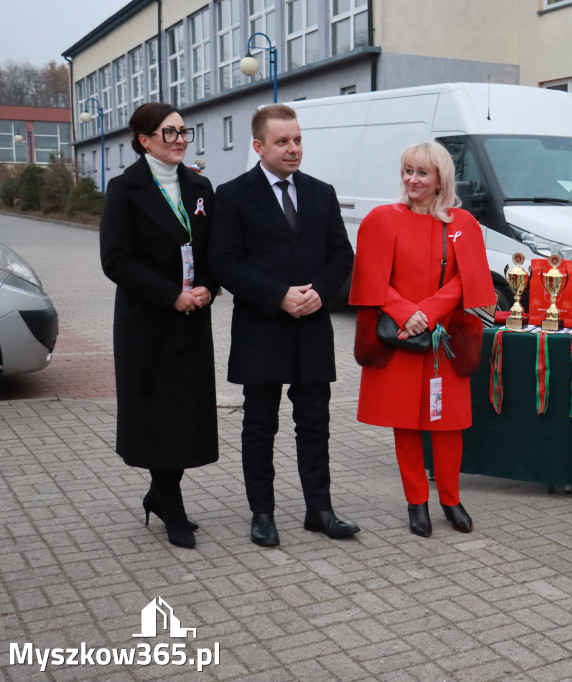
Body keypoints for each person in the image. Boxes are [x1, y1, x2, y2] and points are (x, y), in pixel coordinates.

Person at [209, 104, 358, 547]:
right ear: (259, 146)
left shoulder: (320, 192)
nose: (293, 149)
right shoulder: (232, 195)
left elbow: (341, 255)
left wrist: (320, 292)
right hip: (262, 330)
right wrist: (278, 295)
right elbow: (223, 263)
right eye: (282, 142)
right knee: (260, 426)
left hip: (312, 328)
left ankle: (320, 510)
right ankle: (262, 514)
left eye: (297, 140)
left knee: (315, 423)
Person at [349, 141, 495, 538]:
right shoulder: (382, 219)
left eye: (422, 173)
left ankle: (450, 499)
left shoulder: (462, 224)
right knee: (406, 425)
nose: (412, 179)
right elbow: (371, 279)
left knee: (448, 426)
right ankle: (417, 502)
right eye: (407, 170)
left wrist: (427, 313)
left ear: (440, 180)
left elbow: (469, 280)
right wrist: (405, 313)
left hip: (444, 342)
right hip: (401, 338)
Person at [99, 102, 218, 550]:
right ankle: (170, 502)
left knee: (186, 412)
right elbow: (116, 261)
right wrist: (172, 295)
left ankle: (160, 493)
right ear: (144, 139)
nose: (180, 139)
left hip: (192, 316)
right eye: (169, 133)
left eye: (184, 131)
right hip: (147, 321)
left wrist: (207, 285)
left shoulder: (200, 186)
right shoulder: (125, 189)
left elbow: (213, 250)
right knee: (157, 413)